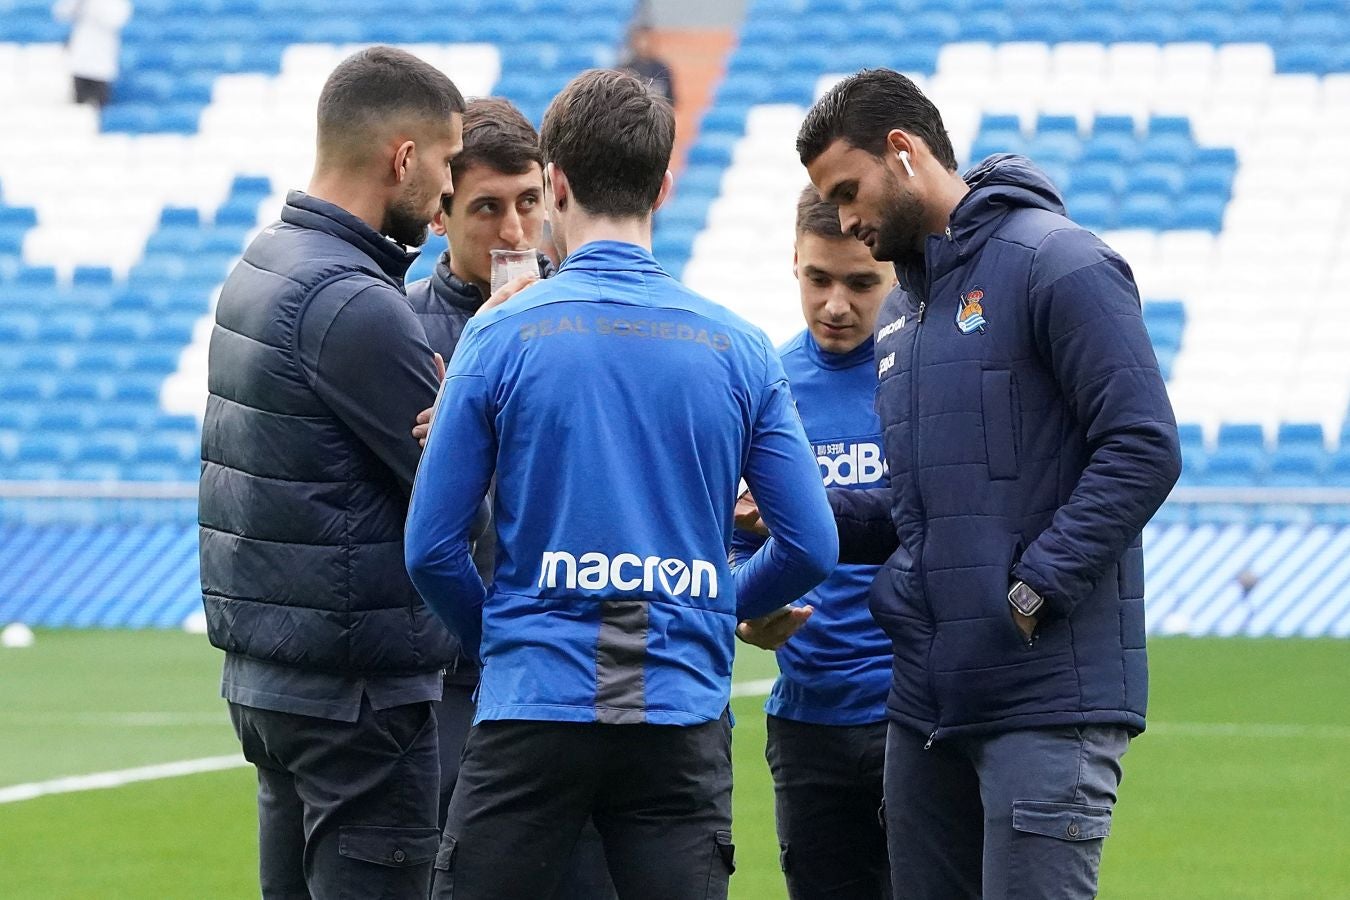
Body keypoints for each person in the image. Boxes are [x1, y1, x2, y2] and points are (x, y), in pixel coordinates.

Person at [404, 68, 838, 900]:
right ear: (664, 187)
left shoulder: (498, 336)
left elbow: (431, 549)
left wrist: (504, 638)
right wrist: (715, 603)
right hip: (677, 711)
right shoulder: (739, 348)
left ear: (555, 183)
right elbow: (812, 543)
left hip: (531, 704)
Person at [793, 69, 1182, 899]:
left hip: (1044, 695)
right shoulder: (903, 311)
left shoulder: (1060, 263)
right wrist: (792, 515)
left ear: (903, 151)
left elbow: (1144, 445)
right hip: (925, 702)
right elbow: (924, 512)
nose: (848, 220)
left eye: (850, 191)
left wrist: (1033, 589)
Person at [198, 46, 465, 899]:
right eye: (448, 163)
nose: (449, 191)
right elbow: (457, 502)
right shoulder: (354, 303)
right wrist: (477, 414)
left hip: (273, 684)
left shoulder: (260, 265)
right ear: (403, 158)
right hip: (358, 698)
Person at [405, 95, 617, 900]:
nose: (515, 232)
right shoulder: (396, 330)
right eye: (487, 208)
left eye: (529, 202)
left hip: (578, 662)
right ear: (438, 215)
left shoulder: (597, 319)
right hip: (450, 673)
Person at [732, 185, 896, 900]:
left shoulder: (924, 379)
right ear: (794, 261)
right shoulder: (761, 383)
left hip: (915, 715)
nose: (836, 304)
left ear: (894, 270)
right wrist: (750, 611)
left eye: (861, 283)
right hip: (808, 723)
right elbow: (729, 532)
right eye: (818, 279)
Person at [53, 0, 132, 108]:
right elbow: (61, 13)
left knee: (99, 105)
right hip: (80, 62)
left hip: (102, 64)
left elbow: (116, 19)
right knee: (78, 106)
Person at [619, 24, 675, 108]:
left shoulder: (663, 69)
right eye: (641, 40)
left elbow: (671, 100)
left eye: (648, 40)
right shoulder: (626, 68)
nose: (644, 45)